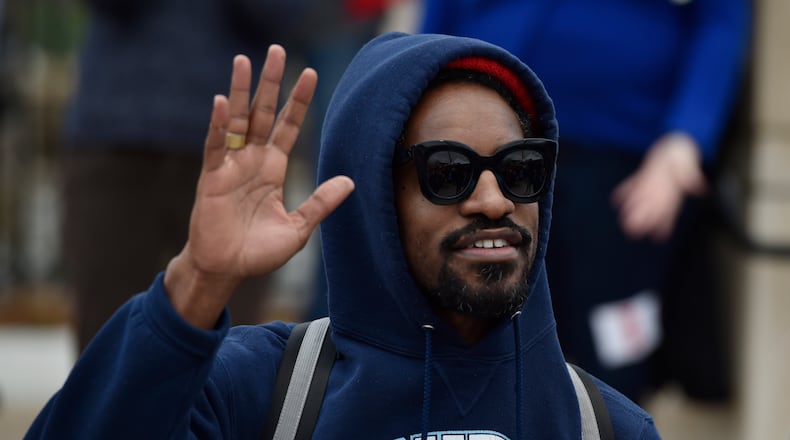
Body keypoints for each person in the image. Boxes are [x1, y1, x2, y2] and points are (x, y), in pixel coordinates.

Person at [26, 32, 661, 439]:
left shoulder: (606, 427)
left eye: (521, 169)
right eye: (448, 172)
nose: (494, 200)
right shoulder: (258, 392)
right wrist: (198, 280)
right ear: (376, 197)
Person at [420, 0, 751, 401]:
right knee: (486, 344)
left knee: (616, 356)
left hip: (625, 168)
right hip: (490, 154)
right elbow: (436, 27)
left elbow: (721, 19)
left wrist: (686, 138)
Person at [60, 0, 310, 352]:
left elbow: (286, 13)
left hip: (239, 148)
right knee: (105, 347)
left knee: (232, 355)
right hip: (115, 137)